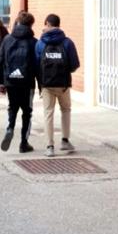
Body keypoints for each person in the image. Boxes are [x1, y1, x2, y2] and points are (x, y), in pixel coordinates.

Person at [35, 13, 81, 158]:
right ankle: (65, 140)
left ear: (47, 24)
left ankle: (49, 146)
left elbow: (36, 65)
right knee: (66, 110)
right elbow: (75, 65)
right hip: (63, 85)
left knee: (48, 113)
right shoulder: (67, 42)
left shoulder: (41, 43)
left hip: (47, 85)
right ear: (59, 24)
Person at [0, 11, 38, 153]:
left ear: (18, 22)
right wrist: (41, 84)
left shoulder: (7, 39)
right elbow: (38, 65)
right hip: (27, 82)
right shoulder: (33, 42)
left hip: (10, 81)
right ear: (31, 24)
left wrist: (1, 83)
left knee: (12, 107)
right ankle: (23, 143)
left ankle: (10, 128)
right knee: (27, 112)